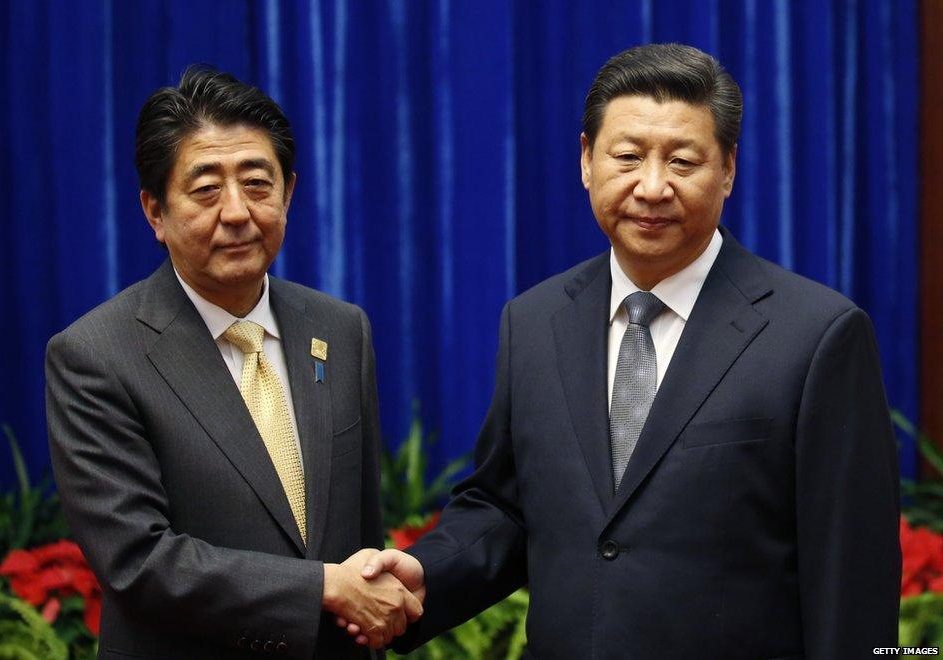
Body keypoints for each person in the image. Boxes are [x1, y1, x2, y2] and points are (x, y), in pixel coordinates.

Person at [353, 44, 901, 659]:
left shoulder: (817, 334)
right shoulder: (534, 321)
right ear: (587, 160)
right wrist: (427, 573)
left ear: (728, 170)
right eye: (628, 156)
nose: (652, 186)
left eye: (683, 161)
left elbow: (851, 572)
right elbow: (505, 506)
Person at [46, 66, 420, 659]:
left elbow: (361, 534)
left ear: (288, 192)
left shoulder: (340, 329)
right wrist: (323, 588)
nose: (238, 211)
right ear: (154, 212)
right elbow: (138, 562)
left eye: (257, 183)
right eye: (205, 190)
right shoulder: (96, 355)